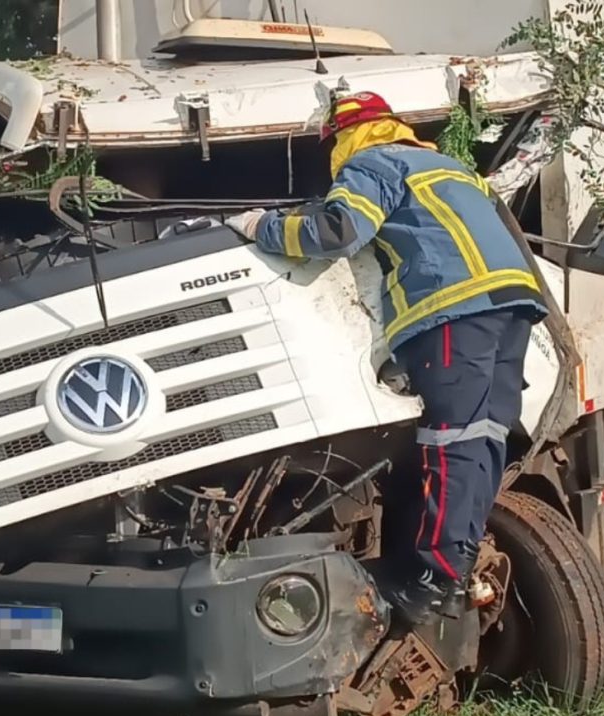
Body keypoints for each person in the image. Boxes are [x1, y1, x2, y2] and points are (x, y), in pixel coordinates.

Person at [225, 91, 549, 626]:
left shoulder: (372, 162)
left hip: (452, 309)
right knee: (485, 438)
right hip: (511, 305)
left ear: (343, 138)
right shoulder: (450, 167)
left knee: (450, 441)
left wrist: (261, 225)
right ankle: (455, 567)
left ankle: (431, 577)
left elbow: (338, 232)